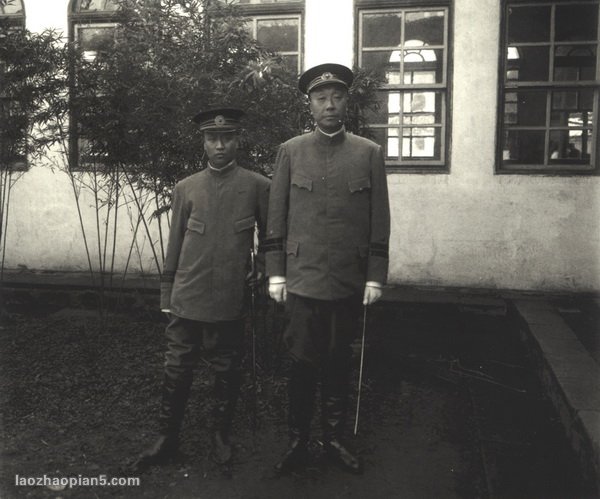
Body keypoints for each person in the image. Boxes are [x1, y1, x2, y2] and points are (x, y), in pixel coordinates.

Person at [265, 63, 391, 475]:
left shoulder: (367, 153)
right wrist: (276, 272)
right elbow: (277, 215)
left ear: (347, 102)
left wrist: (374, 274)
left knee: (338, 361)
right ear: (310, 105)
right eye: (321, 98)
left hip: (347, 279)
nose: (330, 104)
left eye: (337, 96)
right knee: (301, 363)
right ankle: (298, 440)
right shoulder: (291, 151)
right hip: (301, 279)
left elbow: (379, 218)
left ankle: (335, 439)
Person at [135, 107, 270, 469]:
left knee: (226, 366)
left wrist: (265, 266)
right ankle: (166, 437)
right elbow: (175, 244)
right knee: (177, 366)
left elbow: (272, 236)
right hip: (187, 295)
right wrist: (167, 294)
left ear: (238, 140)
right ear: (204, 143)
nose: (220, 145)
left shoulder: (258, 186)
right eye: (213, 139)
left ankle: (220, 436)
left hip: (229, 295)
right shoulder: (186, 188)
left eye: (227, 138)